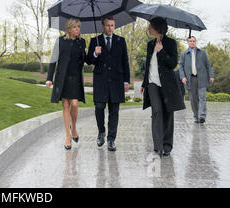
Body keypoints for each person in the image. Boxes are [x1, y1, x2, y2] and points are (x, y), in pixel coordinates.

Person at [140, 17, 185, 157]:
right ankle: (157, 146)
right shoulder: (150, 44)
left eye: (151, 26)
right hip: (152, 83)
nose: (149, 28)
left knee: (168, 113)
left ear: (157, 28)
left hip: (167, 84)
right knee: (157, 112)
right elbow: (148, 65)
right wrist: (144, 83)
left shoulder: (171, 43)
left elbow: (173, 64)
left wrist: (162, 52)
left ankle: (167, 145)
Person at [86, 15, 130, 152]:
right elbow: (88, 61)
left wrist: (126, 80)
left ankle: (111, 139)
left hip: (116, 81)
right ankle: (101, 132)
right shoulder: (95, 41)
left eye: (112, 25)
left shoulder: (121, 41)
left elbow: (125, 62)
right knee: (99, 107)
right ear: (102, 26)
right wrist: (95, 53)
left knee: (114, 111)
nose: (110, 28)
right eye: (107, 25)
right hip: (101, 81)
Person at [46, 18, 88, 150]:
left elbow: (85, 59)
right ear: (69, 28)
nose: (78, 30)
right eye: (75, 27)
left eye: (79, 27)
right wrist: (49, 78)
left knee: (74, 103)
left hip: (75, 77)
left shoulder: (81, 42)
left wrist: (95, 54)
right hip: (62, 78)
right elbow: (53, 60)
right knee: (65, 104)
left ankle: (74, 128)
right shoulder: (60, 41)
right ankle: (67, 137)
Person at [179, 36, 214, 123]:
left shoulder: (202, 52)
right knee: (193, 99)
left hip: (202, 78)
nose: (192, 42)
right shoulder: (183, 54)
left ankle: (202, 116)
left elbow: (208, 65)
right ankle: (196, 116)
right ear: (187, 42)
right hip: (190, 79)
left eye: (194, 41)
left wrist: (211, 76)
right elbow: (181, 67)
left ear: (196, 42)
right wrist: (182, 77)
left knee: (202, 97)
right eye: (190, 41)